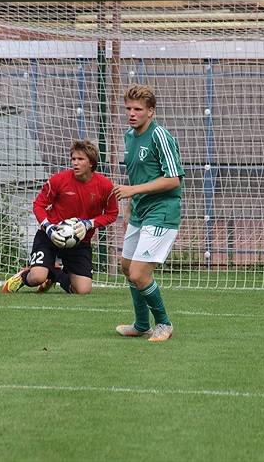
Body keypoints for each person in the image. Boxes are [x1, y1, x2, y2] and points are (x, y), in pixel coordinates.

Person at [113, 84, 184, 342]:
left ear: (151, 111)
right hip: (140, 212)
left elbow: (173, 179)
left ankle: (164, 323)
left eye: (138, 109)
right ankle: (142, 324)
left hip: (162, 211)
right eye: (129, 108)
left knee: (139, 274)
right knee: (126, 266)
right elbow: (136, 175)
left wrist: (132, 191)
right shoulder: (129, 137)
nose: (132, 114)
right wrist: (130, 210)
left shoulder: (160, 136)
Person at [2, 139, 118, 294]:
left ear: (91, 163)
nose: (75, 163)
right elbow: (39, 205)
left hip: (80, 240)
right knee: (37, 277)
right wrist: (48, 227)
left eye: (80, 159)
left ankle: (55, 274)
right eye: (73, 159)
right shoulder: (59, 180)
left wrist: (88, 224)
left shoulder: (104, 186)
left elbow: (112, 214)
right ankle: (23, 277)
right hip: (50, 236)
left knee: (82, 291)